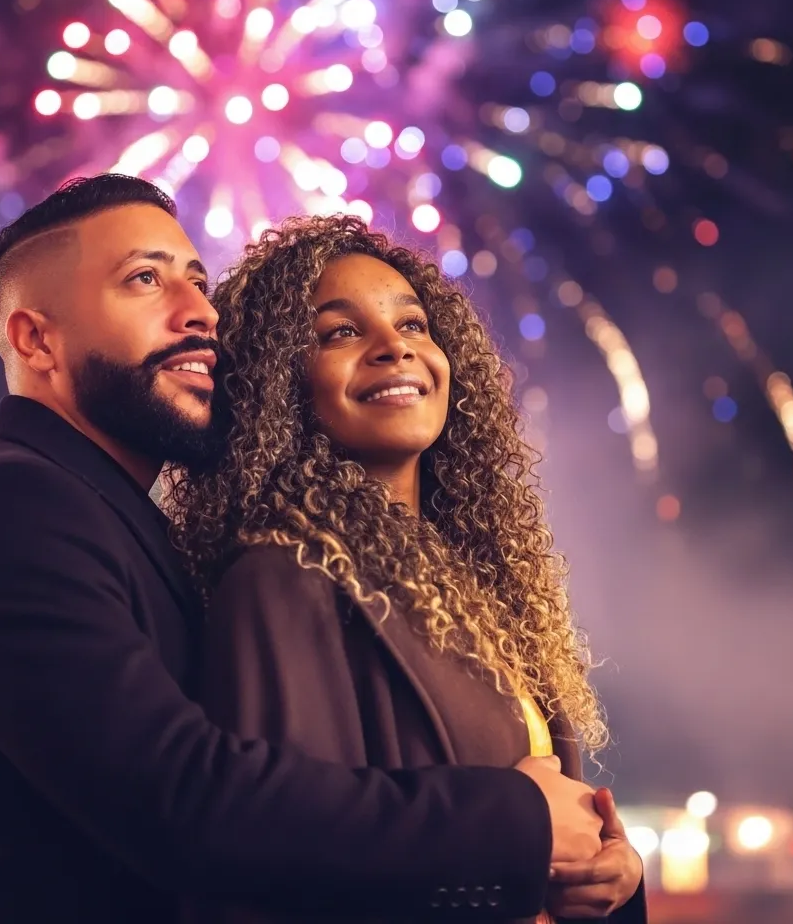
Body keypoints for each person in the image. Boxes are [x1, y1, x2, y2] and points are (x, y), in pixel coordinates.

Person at [0, 175, 611, 924]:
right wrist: (518, 827)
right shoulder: (8, 507)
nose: (200, 313)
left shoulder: (122, 524)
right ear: (35, 339)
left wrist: (596, 872)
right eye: (145, 279)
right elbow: (183, 799)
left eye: (197, 281)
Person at [166, 215, 646, 922]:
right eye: (340, 332)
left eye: (413, 325)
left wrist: (613, 875)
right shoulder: (282, 579)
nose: (395, 348)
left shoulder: (477, 580)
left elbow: (556, 836)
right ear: (279, 384)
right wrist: (518, 842)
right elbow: (287, 861)